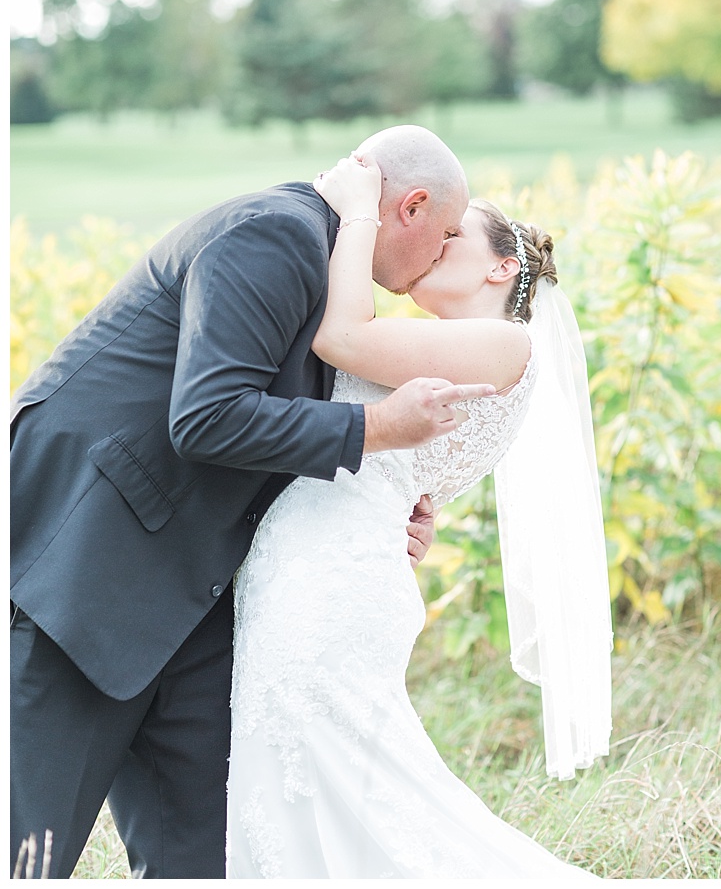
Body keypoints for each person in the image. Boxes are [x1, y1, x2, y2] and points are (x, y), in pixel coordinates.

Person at [10, 125, 491, 879]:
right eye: (448, 232)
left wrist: (373, 511)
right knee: (26, 849)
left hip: (195, 598)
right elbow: (206, 415)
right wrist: (376, 428)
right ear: (413, 206)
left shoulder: (333, 276)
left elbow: (272, 431)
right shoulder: (275, 236)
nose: (446, 250)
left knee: (207, 855)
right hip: (87, 572)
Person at [227, 153, 611, 877]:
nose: (433, 243)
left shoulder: (505, 342)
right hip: (317, 568)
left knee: (357, 801)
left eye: (453, 236)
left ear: (501, 269)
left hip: (330, 584)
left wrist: (360, 208)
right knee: (313, 793)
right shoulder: (452, 344)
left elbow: (340, 339)